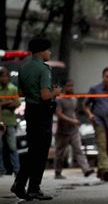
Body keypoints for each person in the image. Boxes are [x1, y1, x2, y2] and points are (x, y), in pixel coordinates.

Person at [10, 37, 61, 201]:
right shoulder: (43, 69)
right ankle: (26, 185)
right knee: (40, 152)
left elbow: (20, 94)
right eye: (48, 50)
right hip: (42, 112)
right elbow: (45, 95)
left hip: (30, 111)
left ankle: (28, 187)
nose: (50, 52)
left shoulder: (23, 68)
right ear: (41, 51)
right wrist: (56, 92)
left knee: (33, 149)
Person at [54, 79, 94, 179]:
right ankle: (57, 172)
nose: (70, 88)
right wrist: (72, 121)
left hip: (73, 130)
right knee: (60, 153)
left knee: (79, 150)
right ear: (64, 87)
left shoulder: (74, 99)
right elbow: (59, 114)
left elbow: (73, 112)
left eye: (72, 86)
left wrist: (76, 120)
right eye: (68, 86)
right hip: (62, 131)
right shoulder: (59, 99)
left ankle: (86, 169)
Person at [0, 66, 21, 176]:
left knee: (13, 147)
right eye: (1, 76)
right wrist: (8, 102)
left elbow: (17, 103)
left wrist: (3, 104)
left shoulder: (13, 88)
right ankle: (1, 170)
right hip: (0, 121)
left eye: (5, 76)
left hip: (11, 121)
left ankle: (17, 170)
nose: (3, 78)